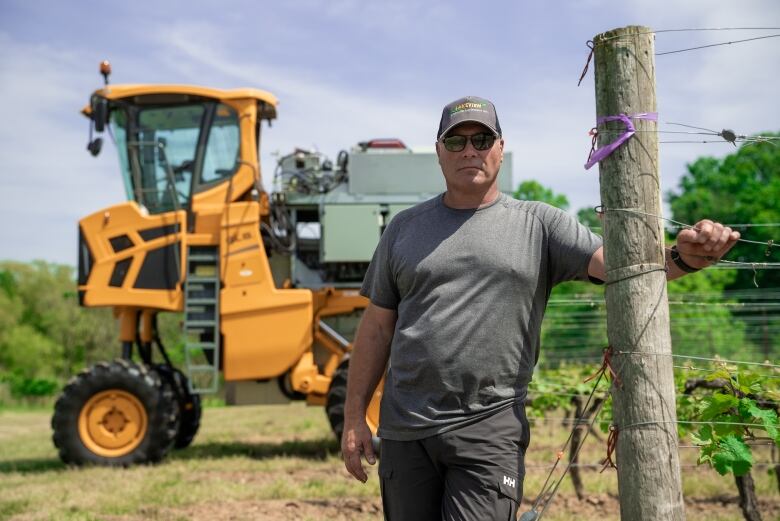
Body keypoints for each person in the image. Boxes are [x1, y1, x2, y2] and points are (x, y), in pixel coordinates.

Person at [341, 96, 739, 520]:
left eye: (481, 138)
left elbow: (622, 269)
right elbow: (377, 329)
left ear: (500, 147)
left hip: (488, 428)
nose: (470, 150)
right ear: (439, 152)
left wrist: (683, 258)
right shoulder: (404, 228)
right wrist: (353, 419)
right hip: (404, 430)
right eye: (455, 142)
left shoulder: (539, 224)